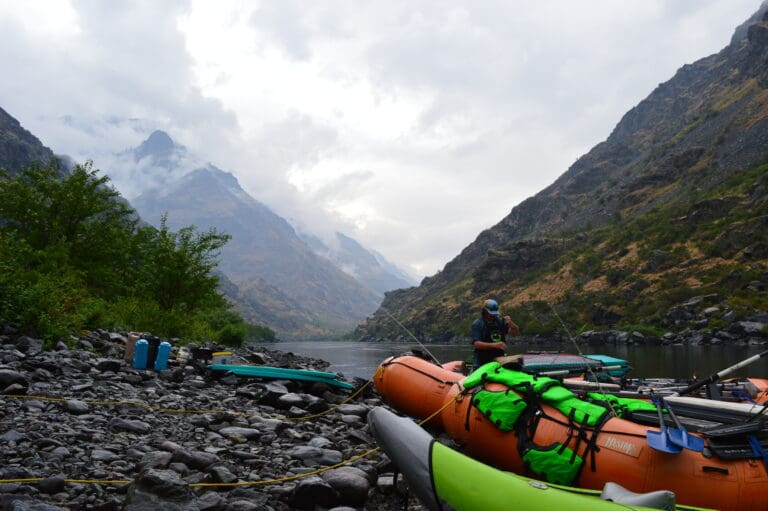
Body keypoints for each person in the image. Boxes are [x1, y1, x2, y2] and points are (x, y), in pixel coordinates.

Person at [471, 298, 520, 369]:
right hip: (482, 360)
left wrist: (511, 324)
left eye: (494, 313)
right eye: (491, 313)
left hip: (499, 359)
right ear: (484, 311)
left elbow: (514, 334)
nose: (493, 315)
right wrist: (495, 345)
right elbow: (476, 344)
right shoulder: (477, 324)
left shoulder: (500, 322)